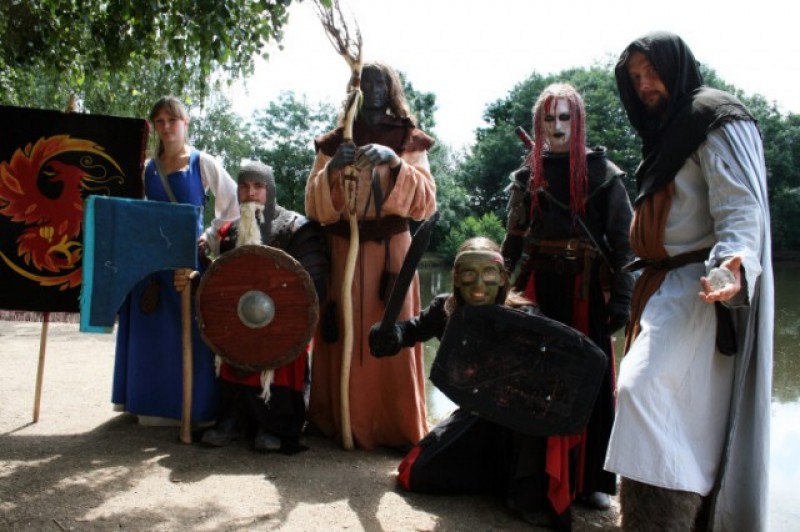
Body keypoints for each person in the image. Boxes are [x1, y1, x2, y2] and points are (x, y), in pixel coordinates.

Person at [603, 32, 773, 531]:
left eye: (652, 71)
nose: (643, 84)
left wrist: (734, 265)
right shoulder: (667, 133)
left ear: (676, 67)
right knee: (662, 410)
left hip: (700, 290)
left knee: (644, 391)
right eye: (635, 77)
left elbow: (740, 207)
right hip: (663, 291)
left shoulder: (712, 116)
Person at [369, 237, 571, 530]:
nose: (478, 285)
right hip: (475, 416)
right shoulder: (445, 310)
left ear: (502, 277)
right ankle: (491, 477)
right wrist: (391, 335)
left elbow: (553, 380)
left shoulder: (527, 317)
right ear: (456, 278)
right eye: (468, 273)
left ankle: (519, 484)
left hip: (519, 428)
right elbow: (412, 329)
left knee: (527, 494)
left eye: (488, 273)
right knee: (416, 473)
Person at [501, 83, 634, 513]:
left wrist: (622, 300)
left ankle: (592, 479)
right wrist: (498, 290)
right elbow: (512, 244)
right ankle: (530, 479)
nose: (557, 127)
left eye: (565, 118)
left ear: (577, 122)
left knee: (590, 384)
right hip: (538, 291)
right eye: (549, 118)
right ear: (539, 123)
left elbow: (626, 247)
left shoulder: (604, 175)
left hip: (584, 292)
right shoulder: (527, 178)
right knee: (531, 382)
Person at [304, 61, 437, 450]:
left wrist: (395, 162)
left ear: (391, 87)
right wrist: (333, 169)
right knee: (341, 328)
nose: (374, 88)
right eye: (366, 82)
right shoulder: (335, 141)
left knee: (393, 328)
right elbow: (313, 205)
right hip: (341, 249)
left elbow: (426, 202)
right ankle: (339, 420)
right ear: (356, 88)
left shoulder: (408, 139)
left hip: (392, 252)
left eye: (381, 82)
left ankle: (394, 425)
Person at [112, 96, 238, 425]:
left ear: (185, 123)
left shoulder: (201, 162)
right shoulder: (146, 169)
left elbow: (233, 204)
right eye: (160, 121)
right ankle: (150, 407)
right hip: (149, 266)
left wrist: (210, 236)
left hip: (186, 263)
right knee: (151, 334)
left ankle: (192, 408)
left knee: (191, 335)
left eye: (173, 120)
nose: (166, 127)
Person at [190, 161, 329, 454]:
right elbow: (223, 288)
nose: (250, 193)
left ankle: (274, 426)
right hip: (242, 319)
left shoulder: (297, 228)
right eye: (244, 187)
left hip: (284, 324)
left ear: (270, 190)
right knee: (230, 340)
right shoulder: (229, 233)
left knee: (282, 349)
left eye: (258, 186)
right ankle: (233, 420)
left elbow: (313, 288)